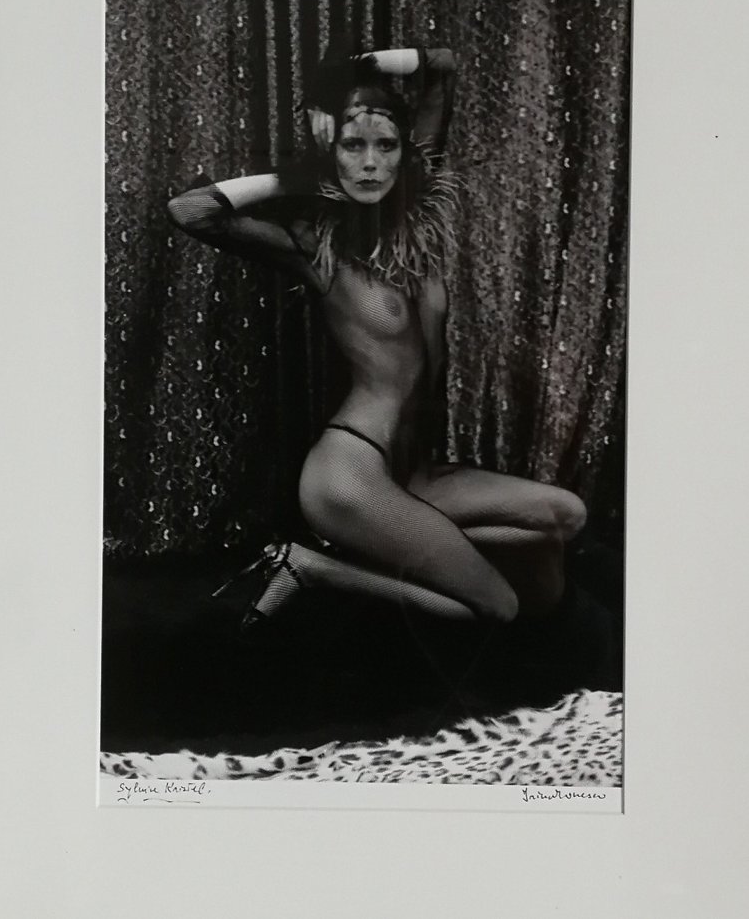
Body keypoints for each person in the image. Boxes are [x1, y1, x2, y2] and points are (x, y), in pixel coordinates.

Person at [167, 40, 587, 634]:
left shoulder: (419, 223)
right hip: (352, 472)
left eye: (384, 146)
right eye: (352, 146)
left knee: (565, 518)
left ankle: (396, 549)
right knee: (501, 607)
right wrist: (294, 177)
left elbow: (442, 64)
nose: (369, 163)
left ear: (404, 153)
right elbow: (190, 211)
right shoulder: (316, 246)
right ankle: (310, 567)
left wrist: (355, 69)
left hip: (416, 474)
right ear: (332, 155)